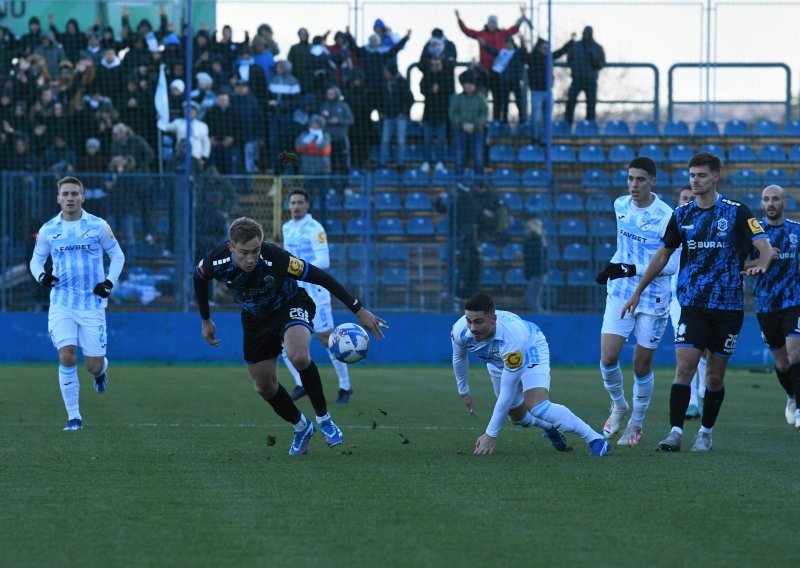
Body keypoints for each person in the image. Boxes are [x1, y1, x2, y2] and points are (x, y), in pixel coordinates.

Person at [193, 217, 386, 455]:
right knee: (264, 387)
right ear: (231, 246)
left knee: (298, 356)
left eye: (256, 250)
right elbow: (199, 278)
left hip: (289, 305)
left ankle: (324, 419)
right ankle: (301, 426)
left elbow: (321, 277)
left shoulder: (276, 257)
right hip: (255, 319)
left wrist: (359, 309)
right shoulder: (215, 260)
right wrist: (205, 320)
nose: (251, 258)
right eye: (244, 253)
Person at [621, 152, 773, 452]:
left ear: (716, 176)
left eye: (701, 175)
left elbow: (764, 246)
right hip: (692, 304)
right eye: (692, 175)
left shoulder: (738, 212)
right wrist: (638, 290)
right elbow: (663, 254)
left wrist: (763, 263)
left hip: (728, 308)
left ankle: (705, 431)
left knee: (715, 376)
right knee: (685, 367)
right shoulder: (682, 215)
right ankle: (675, 431)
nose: (695, 180)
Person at [451, 293, 611, 456]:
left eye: (478, 322)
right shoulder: (459, 331)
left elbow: (508, 390)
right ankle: (550, 427)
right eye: (469, 321)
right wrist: (463, 391)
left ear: (493, 319)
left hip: (530, 349)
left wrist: (491, 434)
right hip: (498, 360)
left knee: (537, 406)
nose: (472, 328)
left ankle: (596, 439)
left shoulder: (513, 338)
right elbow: (459, 357)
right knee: (517, 417)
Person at [28, 176, 125, 430]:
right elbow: (36, 261)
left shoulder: (98, 226)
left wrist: (108, 283)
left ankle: (101, 371)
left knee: (92, 365)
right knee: (67, 356)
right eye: (66, 194)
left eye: (75, 193)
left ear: (83, 197)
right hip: (62, 302)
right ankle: (74, 417)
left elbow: (117, 255)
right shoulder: (49, 229)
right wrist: (42, 276)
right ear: (58, 198)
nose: (70, 198)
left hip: (92, 303)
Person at [595, 157, 678, 446]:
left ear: (653, 180)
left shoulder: (667, 216)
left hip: (653, 297)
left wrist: (633, 269)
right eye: (630, 178)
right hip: (620, 291)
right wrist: (614, 266)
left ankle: (636, 425)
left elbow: (671, 265)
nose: (634, 184)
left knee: (641, 365)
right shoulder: (620, 206)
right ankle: (619, 405)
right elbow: (623, 246)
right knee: (607, 358)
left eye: (640, 179)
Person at [281, 188, 354, 403]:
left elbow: (324, 261)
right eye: (292, 202)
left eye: (299, 202)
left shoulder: (315, 229)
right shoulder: (287, 227)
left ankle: (345, 386)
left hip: (315, 291)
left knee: (327, 339)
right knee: (283, 341)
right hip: (293, 291)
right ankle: (301, 382)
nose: (295, 206)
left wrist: (297, 268)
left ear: (307, 205)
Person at [747, 185, 800, 431]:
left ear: (784, 202)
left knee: (795, 353)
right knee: (782, 363)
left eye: (775, 199)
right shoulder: (754, 232)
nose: (771, 203)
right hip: (766, 305)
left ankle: (799, 408)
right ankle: (791, 396)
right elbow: (741, 264)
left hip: (793, 302)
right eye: (766, 199)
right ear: (761, 203)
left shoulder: (796, 231)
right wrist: (763, 258)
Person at [668, 186, 705, 420]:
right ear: (679, 202)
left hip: (705, 295)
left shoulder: (706, 228)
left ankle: (701, 393)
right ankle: (692, 401)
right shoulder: (673, 226)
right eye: (684, 198)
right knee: (687, 352)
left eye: (692, 198)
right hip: (678, 300)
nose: (688, 201)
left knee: (705, 352)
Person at [522, 36, 573, 142]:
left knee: (547, 118)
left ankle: (544, 140)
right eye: (544, 48)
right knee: (536, 118)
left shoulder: (549, 58)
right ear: (539, 48)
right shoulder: (532, 58)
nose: (546, 50)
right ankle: (535, 138)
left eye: (547, 48)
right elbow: (523, 56)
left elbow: (560, 51)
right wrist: (523, 44)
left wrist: (571, 41)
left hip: (548, 91)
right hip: (536, 92)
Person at [564, 26, 605, 125]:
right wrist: (574, 66)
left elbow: (601, 64)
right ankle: (567, 124)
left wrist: (594, 59)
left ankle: (589, 125)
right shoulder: (576, 46)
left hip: (590, 80)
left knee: (591, 104)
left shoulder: (597, 48)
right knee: (571, 102)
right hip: (577, 79)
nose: (585, 36)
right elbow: (569, 60)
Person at [449, 71, 488, 176]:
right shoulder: (458, 98)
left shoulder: (480, 98)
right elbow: (453, 112)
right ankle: (459, 181)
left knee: (478, 156)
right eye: (466, 84)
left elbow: (484, 113)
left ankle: (480, 183)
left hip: (477, 131)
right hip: (461, 131)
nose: (468, 86)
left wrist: (475, 125)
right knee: (460, 156)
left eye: (470, 84)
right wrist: (462, 124)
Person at [523, 218, 548, 313]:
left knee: (532, 296)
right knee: (534, 294)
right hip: (538, 271)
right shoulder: (539, 239)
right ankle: (538, 311)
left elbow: (533, 255)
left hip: (537, 271)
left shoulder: (534, 238)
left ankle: (538, 313)